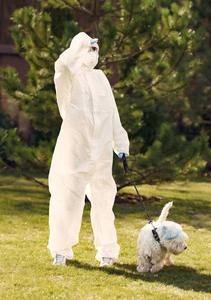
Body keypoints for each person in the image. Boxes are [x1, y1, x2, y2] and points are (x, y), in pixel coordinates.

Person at [47, 32, 129, 267]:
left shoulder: (101, 78)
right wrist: (78, 46)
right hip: (75, 151)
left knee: (104, 202)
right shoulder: (68, 78)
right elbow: (60, 67)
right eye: (89, 50)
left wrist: (120, 144)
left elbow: (112, 114)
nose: (93, 54)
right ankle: (60, 250)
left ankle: (107, 252)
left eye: (95, 50)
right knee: (67, 201)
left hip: (101, 153)